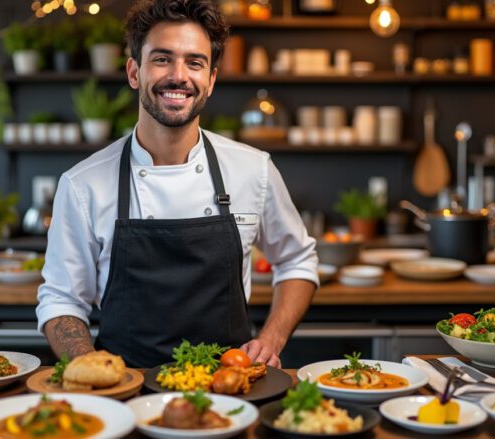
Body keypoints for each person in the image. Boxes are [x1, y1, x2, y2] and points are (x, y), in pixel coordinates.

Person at [36, 0, 318, 368]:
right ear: (134, 72)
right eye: (162, 59)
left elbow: (297, 260)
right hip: (126, 392)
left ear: (211, 80)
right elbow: (61, 299)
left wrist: (271, 339)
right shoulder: (82, 185)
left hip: (230, 390)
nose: (179, 76)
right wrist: (93, 370)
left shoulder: (253, 170)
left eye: (195, 62)